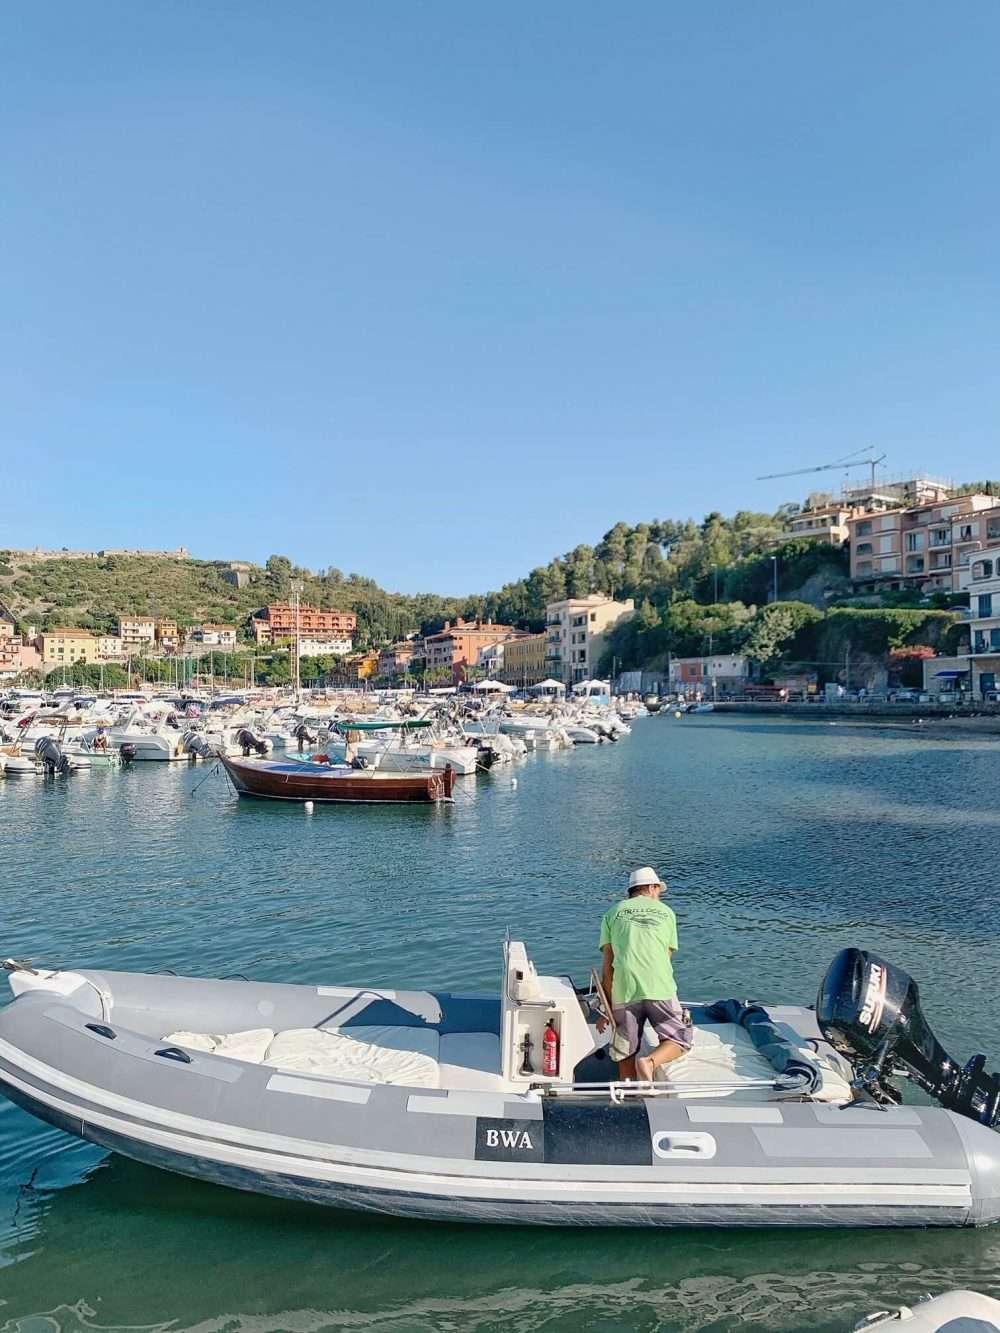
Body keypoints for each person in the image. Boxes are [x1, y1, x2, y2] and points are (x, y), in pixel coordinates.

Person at [598, 866, 693, 1083]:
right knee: (680, 1039)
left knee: (625, 1050)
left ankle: (629, 1097)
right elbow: (665, 957)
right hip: (659, 986)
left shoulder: (612, 913)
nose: (658, 895)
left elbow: (608, 966)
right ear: (651, 887)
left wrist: (608, 1008)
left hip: (625, 988)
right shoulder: (667, 912)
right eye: (658, 890)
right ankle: (650, 1062)